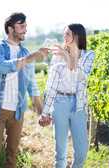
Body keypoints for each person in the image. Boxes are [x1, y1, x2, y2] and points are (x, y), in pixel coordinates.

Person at [0, 12, 49, 168]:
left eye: (25, 26)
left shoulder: (25, 53)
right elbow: (2, 67)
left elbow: (31, 85)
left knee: (12, 154)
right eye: (21, 26)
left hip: (18, 112)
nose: (25, 30)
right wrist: (32, 57)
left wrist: (42, 112)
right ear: (10, 28)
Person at [39, 23, 95, 168]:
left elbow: (82, 74)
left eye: (67, 34)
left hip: (79, 104)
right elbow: (51, 85)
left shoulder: (88, 55)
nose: (64, 36)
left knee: (82, 152)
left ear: (76, 36)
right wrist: (45, 112)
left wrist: (65, 55)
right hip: (60, 102)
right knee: (60, 152)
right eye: (64, 34)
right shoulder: (57, 57)